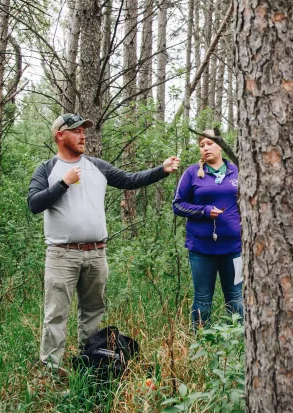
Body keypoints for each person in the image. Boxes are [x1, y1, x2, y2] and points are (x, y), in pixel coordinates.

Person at [28, 113, 180, 373]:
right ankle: (50, 371)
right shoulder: (47, 169)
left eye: (84, 130)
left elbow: (129, 180)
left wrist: (161, 170)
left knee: (93, 312)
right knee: (56, 315)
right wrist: (64, 183)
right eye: (76, 131)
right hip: (62, 255)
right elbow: (34, 204)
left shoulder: (97, 166)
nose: (83, 135)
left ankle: (91, 364)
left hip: (96, 254)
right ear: (60, 135)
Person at [172, 130, 243, 327]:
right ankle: (203, 345)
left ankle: (237, 346)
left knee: (237, 300)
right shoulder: (192, 173)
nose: (205, 148)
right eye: (202, 145)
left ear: (220, 145)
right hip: (202, 249)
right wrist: (203, 211)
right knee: (203, 301)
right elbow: (177, 205)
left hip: (234, 248)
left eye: (209, 143)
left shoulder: (236, 171)